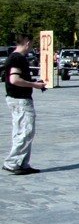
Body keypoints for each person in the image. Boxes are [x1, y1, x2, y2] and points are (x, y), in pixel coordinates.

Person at [3, 34, 47, 175]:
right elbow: (14, 79)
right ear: (27, 43)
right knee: (26, 131)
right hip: (20, 100)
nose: (32, 47)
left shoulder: (13, 57)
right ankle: (12, 162)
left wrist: (33, 81)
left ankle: (22, 163)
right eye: (32, 44)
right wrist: (34, 85)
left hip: (14, 98)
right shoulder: (17, 58)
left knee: (19, 131)